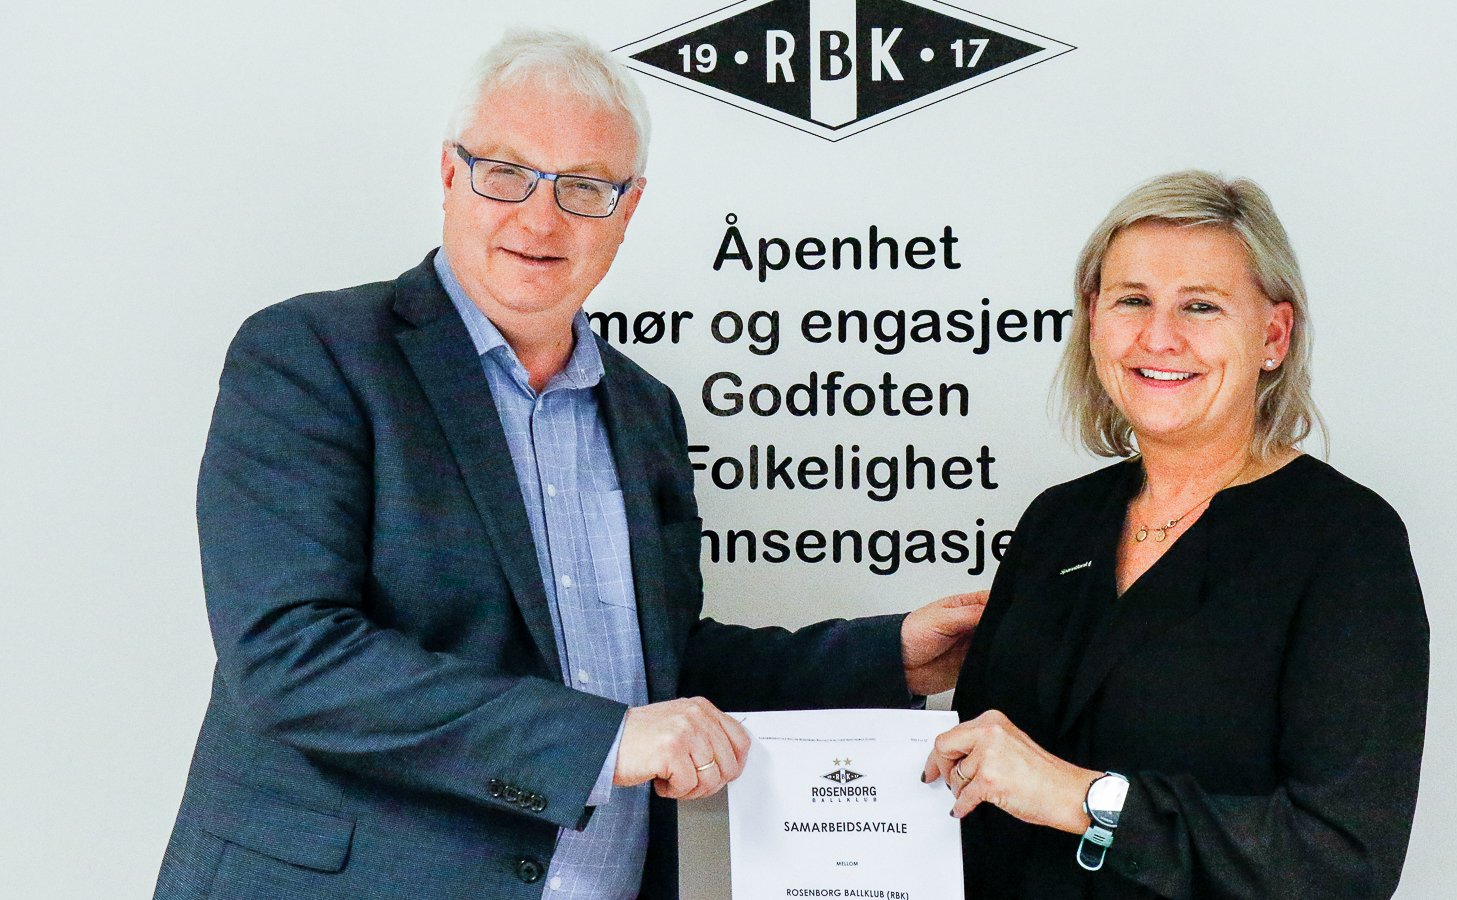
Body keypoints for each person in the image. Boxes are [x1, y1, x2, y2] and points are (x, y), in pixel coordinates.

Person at [154, 29, 984, 899]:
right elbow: (291, 657)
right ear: (449, 174)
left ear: (628, 209)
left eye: (585, 187)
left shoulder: (645, 410)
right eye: (505, 172)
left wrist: (891, 656)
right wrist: (604, 742)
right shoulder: (312, 355)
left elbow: (659, 674)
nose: (540, 219)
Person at [923, 171, 1429, 898]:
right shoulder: (1057, 522)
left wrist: (1085, 799)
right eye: (1132, 301)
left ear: (1274, 335)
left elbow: (1340, 861)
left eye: (1201, 306)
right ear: (1093, 320)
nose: (1159, 338)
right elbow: (970, 786)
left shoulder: (1347, 543)